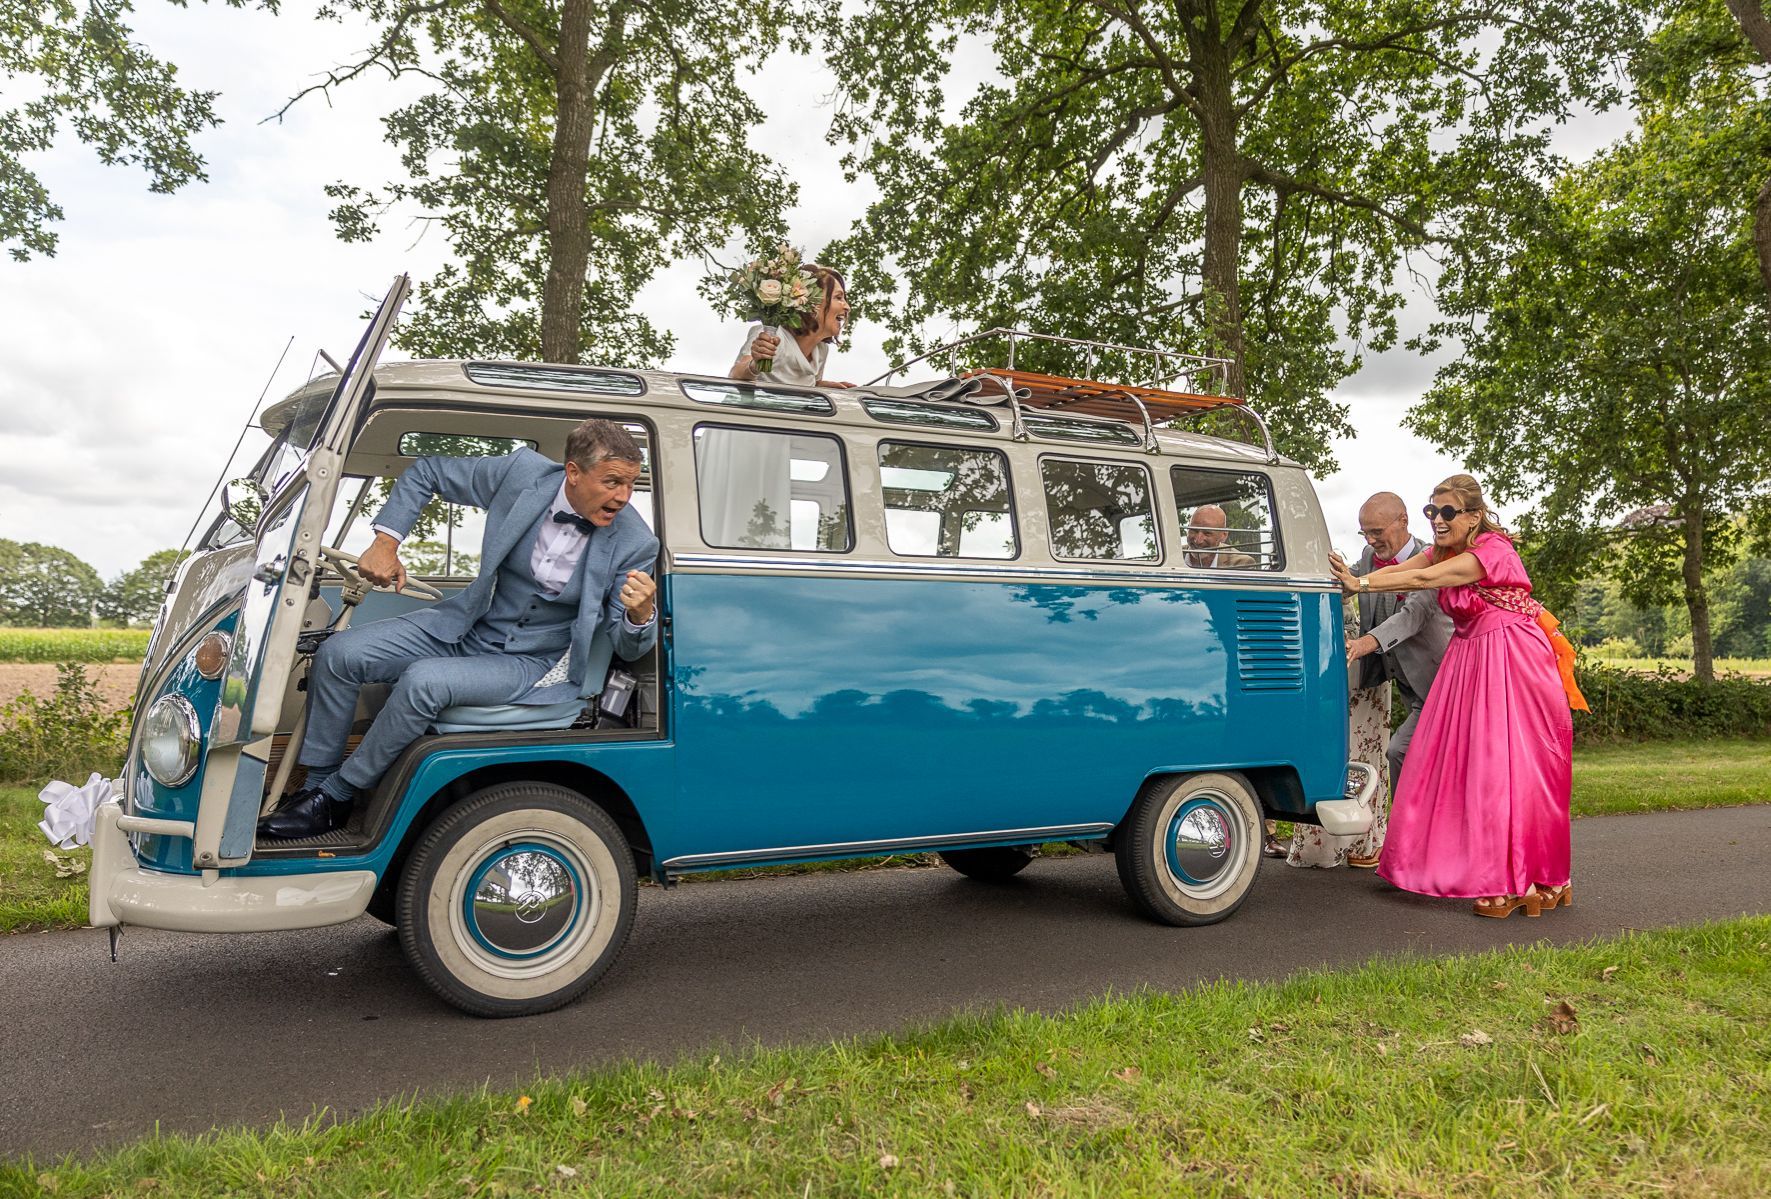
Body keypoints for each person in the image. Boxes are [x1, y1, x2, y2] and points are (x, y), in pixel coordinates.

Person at [258, 419, 660, 839]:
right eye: (613, 482)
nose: (623, 497)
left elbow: (630, 648)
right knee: (338, 654)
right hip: (464, 626)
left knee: (422, 681)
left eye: (631, 484)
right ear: (573, 472)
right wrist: (385, 543)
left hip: (531, 660)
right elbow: (426, 471)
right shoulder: (520, 473)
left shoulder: (635, 542)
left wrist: (639, 614)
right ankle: (318, 789)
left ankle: (339, 792)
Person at [1328, 474, 1576, 918]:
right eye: (1432, 511)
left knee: (1506, 767)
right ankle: (1432, 858)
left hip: (1509, 657)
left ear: (1474, 516)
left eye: (1447, 512)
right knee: (1436, 759)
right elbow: (1404, 568)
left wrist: (1359, 585)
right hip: (1469, 656)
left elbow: (1424, 577)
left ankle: (1525, 878)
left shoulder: (1491, 552)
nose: (1437, 520)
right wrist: (1351, 575)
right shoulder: (1445, 549)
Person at [1339, 491, 1453, 866]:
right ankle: (1417, 844)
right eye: (1364, 533)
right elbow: (1352, 581)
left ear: (1403, 521)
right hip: (1411, 686)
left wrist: (1365, 643)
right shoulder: (1370, 561)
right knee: (1414, 756)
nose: (1371, 540)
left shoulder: (1433, 562)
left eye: (1376, 531)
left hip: (1446, 684)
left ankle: (1413, 845)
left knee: (1401, 752)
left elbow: (1411, 616)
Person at [1286, 595, 1392, 868]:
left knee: (1365, 747)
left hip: (1367, 664)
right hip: (1328, 660)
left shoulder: (1362, 570)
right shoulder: (1351, 567)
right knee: (1337, 747)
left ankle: (1363, 837)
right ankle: (1328, 841)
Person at [729, 265, 854, 388]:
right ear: (812, 303)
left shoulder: (821, 350)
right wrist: (755, 364)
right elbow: (735, 374)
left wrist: (821, 386)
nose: (847, 307)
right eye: (838, 297)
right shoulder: (772, 336)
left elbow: (797, 386)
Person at [1182, 504, 1257, 570]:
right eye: (1194, 530)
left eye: (1207, 533)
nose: (1198, 540)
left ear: (1224, 535)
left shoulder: (1241, 564)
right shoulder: (1171, 556)